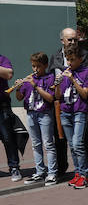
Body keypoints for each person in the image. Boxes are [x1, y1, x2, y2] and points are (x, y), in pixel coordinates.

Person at [49, 27, 88, 178]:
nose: (73, 42)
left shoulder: (84, 55)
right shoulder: (56, 56)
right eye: (70, 39)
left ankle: (86, 169)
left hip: (79, 104)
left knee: (81, 140)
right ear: (62, 41)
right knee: (63, 139)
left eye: (75, 39)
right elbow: (50, 76)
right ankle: (64, 167)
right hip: (62, 104)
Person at [14, 52, 57, 185]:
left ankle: (52, 173)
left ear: (45, 65)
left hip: (45, 114)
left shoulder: (50, 78)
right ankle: (39, 172)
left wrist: (35, 86)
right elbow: (20, 98)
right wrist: (18, 88)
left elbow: (50, 98)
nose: (35, 69)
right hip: (31, 114)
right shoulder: (29, 79)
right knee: (35, 144)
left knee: (48, 144)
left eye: (38, 66)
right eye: (33, 66)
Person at [56, 47, 88, 189]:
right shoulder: (65, 73)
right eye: (68, 60)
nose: (70, 62)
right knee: (72, 146)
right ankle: (77, 173)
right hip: (65, 112)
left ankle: (85, 175)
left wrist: (72, 79)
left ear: (80, 59)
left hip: (79, 111)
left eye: (72, 60)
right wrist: (58, 83)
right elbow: (58, 95)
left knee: (78, 143)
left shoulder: (86, 72)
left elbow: (84, 94)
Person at [0, 52, 21, 181]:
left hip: (1, 105)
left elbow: (9, 74)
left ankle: (14, 167)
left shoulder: (2, 59)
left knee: (7, 137)